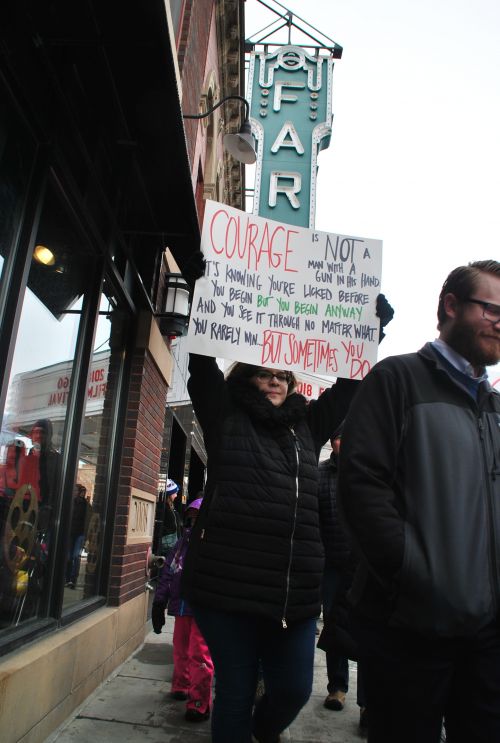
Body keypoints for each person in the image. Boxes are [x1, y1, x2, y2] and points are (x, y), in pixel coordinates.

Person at [337, 260, 500, 743]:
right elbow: (362, 487)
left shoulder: (493, 407)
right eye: (490, 307)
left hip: (487, 636)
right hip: (411, 628)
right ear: (451, 306)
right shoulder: (397, 380)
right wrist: (414, 574)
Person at [317, 425, 368, 735]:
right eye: (337, 437)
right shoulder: (320, 474)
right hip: (331, 566)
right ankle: (337, 687)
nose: (342, 443)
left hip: (366, 565)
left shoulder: (371, 472)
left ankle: (368, 701)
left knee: (367, 629)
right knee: (335, 625)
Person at [152, 496, 214, 723]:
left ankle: (199, 701)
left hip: (202, 610)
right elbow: (168, 572)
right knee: (180, 648)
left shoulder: (212, 549)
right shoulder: (181, 545)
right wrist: (159, 601)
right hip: (181, 608)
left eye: (198, 519)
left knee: (199, 654)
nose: (193, 523)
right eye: (191, 519)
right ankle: (181, 685)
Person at [66, 483, 91, 589]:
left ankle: (72, 580)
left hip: (80, 534)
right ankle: (67, 579)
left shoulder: (86, 505)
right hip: (70, 533)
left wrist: (87, 536)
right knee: (68, 556)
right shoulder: (70, 503)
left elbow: (89, 520)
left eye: (77, 491)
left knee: (75, 556)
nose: (76, 493)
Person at [159, 478, 182, 555]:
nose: (176, 495)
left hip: (172, 545)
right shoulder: (163, 508)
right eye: (175, 493)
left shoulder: (170, 507)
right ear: (169, 494)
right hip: (167, 546)